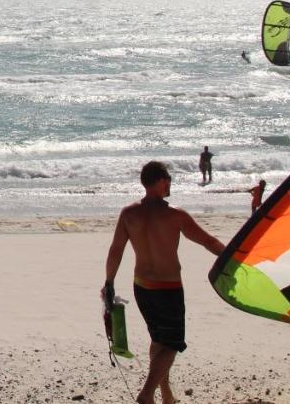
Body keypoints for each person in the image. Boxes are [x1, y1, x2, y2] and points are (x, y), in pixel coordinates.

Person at [104, 161, 225, 404]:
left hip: (142, 288)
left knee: (158, 341)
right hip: (168, 289)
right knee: (172, 344)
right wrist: (233, 258)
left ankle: (167, 394)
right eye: (168, 179)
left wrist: (109, 282)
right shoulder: (174, 215)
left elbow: (116, 250)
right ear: (160, 181)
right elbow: (208, 242)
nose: (170, 183)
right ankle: (147, 394)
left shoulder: (129, 214)